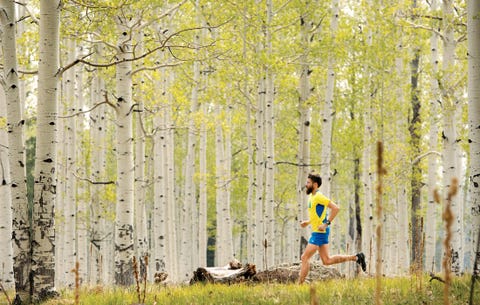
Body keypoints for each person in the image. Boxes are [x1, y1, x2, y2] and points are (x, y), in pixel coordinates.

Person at [298, 172, 366, 284]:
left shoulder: (319, 196)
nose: (306, 184)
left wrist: (326, 223)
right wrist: (308, 222)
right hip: (319, 231)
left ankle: (299, 285)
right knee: (327, 260)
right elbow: (319, 215)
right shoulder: (312, 196)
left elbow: (336, 208)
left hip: (319, 233)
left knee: (304, 257)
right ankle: (356, 257)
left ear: (315, 184)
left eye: (308, 182)